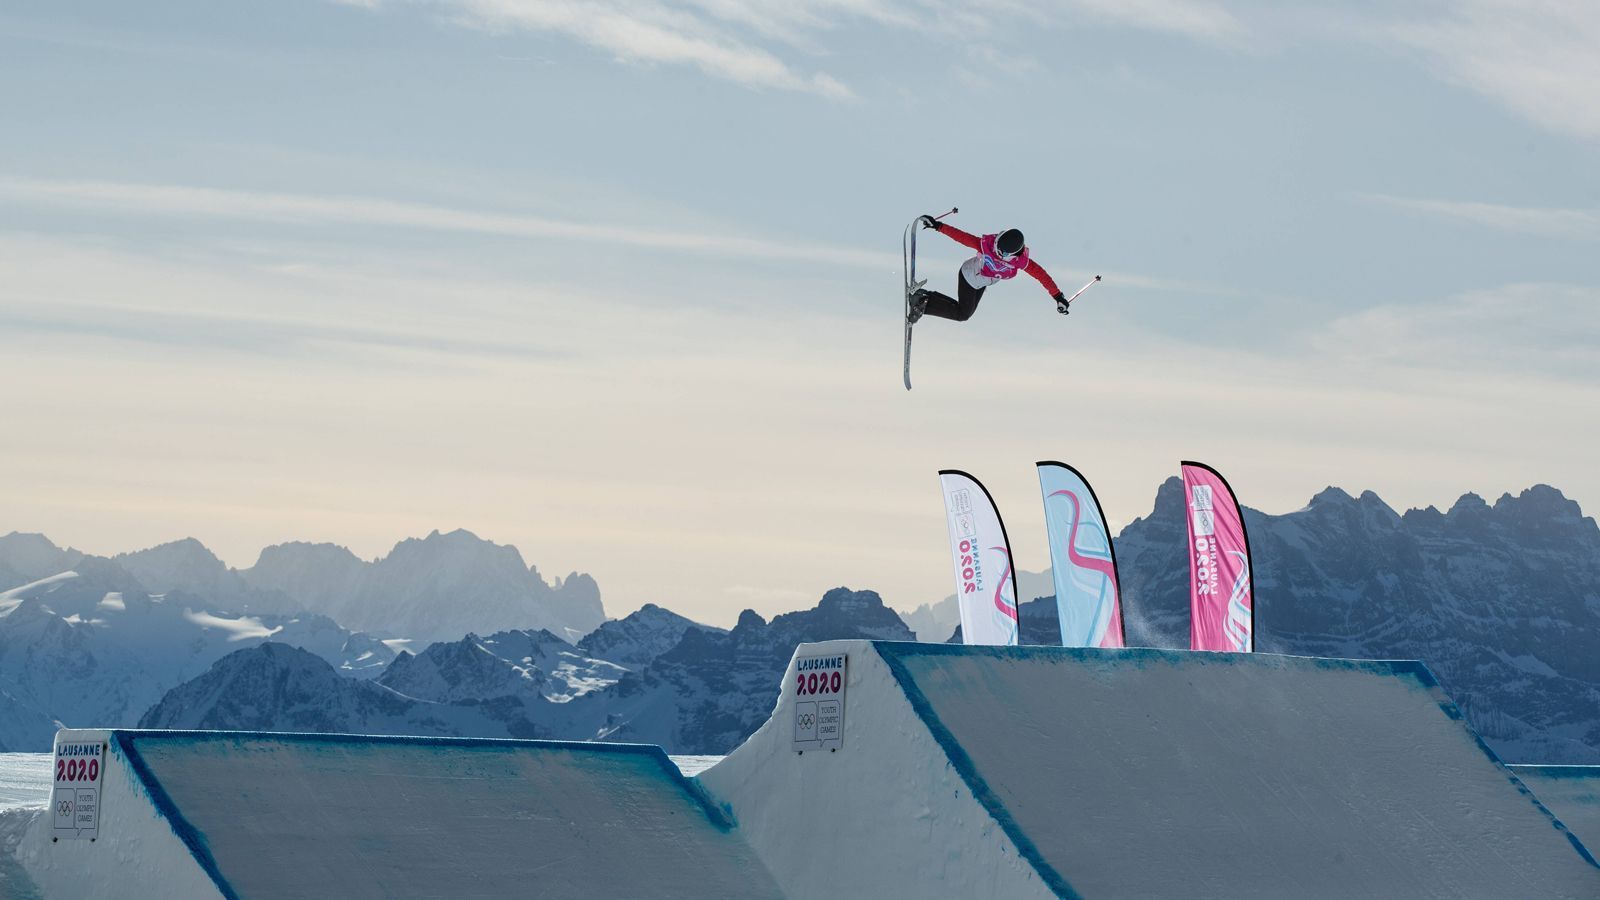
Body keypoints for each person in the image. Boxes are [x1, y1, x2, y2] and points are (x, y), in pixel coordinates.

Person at [910, 216, 1069, 324]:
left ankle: (924, 300)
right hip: (969, 276)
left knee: (963, 312)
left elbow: (1042, 276)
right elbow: (962, 237)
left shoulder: (1021, 262)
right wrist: (938, 226)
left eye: (1004, 253)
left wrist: (1057, 296)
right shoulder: (987, 245)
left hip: (982, 282)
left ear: (1014, 254)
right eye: (998, 246)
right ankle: (922, 300)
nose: (998, 252)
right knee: (962, 314)